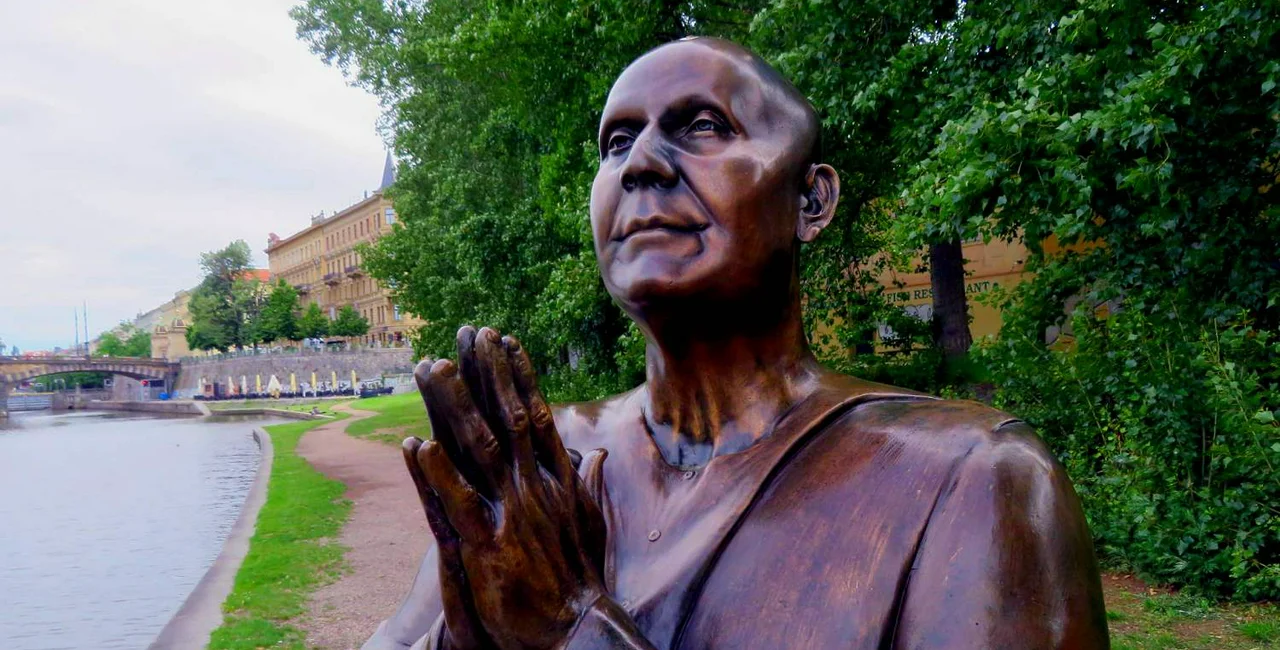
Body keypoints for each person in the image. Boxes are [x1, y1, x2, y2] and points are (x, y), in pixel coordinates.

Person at [370, 37, 1109, 650]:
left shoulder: (971, 480)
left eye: (702, 126)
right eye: (616, 142)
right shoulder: (542, 462)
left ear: (811, 200)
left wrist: (572, 631)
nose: (641, 165)